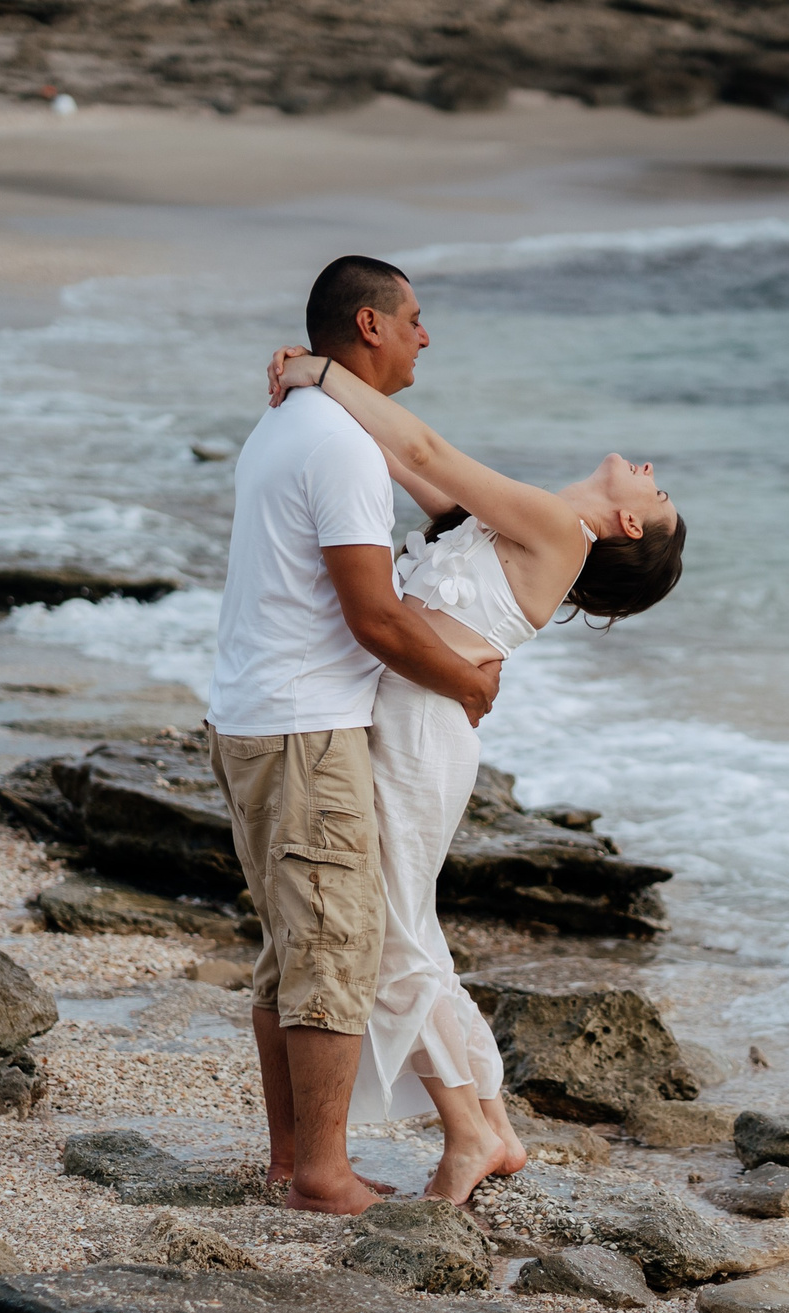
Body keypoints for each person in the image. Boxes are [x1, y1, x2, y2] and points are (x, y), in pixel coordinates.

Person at [261, 337, 688, 1203]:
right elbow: (394, 457)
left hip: (422, 731)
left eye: (658, 486)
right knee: (404, 927)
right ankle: (492, 1128)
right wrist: (316, 390)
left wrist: (324, 373)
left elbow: (427, 451)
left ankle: (467, 1135)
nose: (647, 466)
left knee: (384, 932)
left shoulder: (555, 529)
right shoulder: (508, 524)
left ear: (630, 523)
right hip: (408, 719)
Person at [205, 255, 504, 1216]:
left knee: (291, 948)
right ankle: (322, 1174)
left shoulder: (290, 419)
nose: (427, 334)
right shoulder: (336, 443)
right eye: (414, 318)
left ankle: (295, 1161)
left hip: (255, 714)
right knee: (335, 945)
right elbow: (373, 617)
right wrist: (465, 681)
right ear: (369, 326)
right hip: (304, 725)